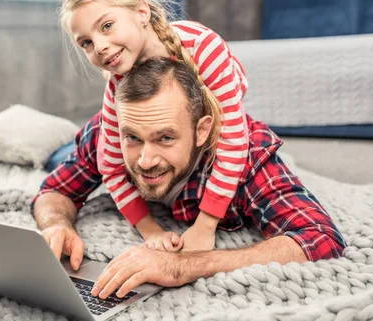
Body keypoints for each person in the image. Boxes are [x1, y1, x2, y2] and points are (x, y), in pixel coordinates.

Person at [31, 57, 346, 300]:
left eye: (165, 138)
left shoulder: (248, 156)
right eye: (133, 138)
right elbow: (56, 189)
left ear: (201, 131)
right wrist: (56, 224)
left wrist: (183, 266)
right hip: (87, 139)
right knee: (54, 157)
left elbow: (320, 238)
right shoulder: (107, 135)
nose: (146, 160)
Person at [59, 0, 249, 252]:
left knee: (249, 151)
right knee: (92, 141)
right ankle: (60, 149)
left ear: (141, 12)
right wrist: (150, 230)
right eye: (86, 42)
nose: (99, 46)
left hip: (218, 117)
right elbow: (110, 167)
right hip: (142, 133)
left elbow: (233, 142)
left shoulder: (203, 48)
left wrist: (205, 225)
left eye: (107, 26)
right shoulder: (116, 84)